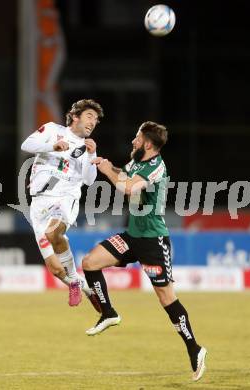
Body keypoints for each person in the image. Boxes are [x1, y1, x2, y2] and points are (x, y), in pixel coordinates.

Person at [82, 121, 207, 381]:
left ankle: (195, 349)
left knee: (166, 298)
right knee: (90, 262)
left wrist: (108, 172)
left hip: (153, 241)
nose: (133, 141)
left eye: (137, 138)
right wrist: (107, 165)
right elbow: (124, 174)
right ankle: (108, 312)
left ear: (148, 144)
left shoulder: (156, 166)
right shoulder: (136, 162)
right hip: (133, 236)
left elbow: (128, 187)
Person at [21, 99, 103, 312]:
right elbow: (26, 145)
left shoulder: (87, 147)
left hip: (65, 196)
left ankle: (74, 281)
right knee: (56, 269)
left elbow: (89, 180)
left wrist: (92, 154)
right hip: (39, 201)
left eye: (96, 119)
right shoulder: (51, 129)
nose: (93, 122)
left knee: (53, 232)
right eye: (89, 116)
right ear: (75, 116)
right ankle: (84, 287)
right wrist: (52, 146)